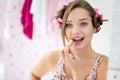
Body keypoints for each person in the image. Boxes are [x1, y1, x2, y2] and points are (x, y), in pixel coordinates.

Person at [30, 0, 108, 80]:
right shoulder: (52, 58)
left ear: (94, 26)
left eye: (83, 23)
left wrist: (76, 71)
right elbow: (34, 75)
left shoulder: (104, 65)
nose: (75, 31)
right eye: (68, 25)